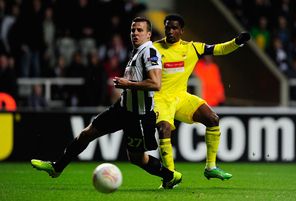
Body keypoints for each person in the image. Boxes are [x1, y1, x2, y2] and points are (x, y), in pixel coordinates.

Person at [31, 17, 182, 189]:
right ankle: (56, 167)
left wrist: (128, 84)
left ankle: (171, 176)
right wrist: (127, 85)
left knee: (137, 158)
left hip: (138, 116)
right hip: (122, 108)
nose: (135, 33)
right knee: (86, 133)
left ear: (148, 34)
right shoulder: (136, 52)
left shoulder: (150, 52)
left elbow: (156, 84)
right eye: (133, 30)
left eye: (140, 30)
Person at [153, 14, 250, 183]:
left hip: (181, 97)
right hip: (161, 99)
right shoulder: (153, 48)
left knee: (212, 119)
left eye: (174, 28)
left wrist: (237, 42)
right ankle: (169, 176)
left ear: (181, 31)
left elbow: (219, 49)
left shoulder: (192, 48)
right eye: (167, 27)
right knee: (164, 129)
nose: (170, 31)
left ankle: (210, 167)